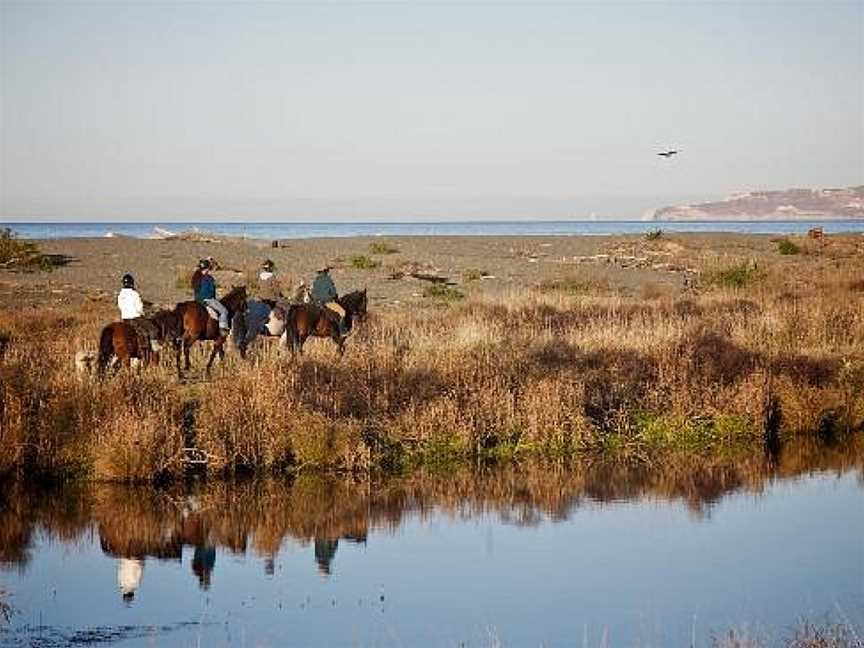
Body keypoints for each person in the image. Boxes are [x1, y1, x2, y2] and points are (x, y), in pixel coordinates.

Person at [117, 274, 160, 351]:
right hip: (136, 318)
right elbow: (139, 307)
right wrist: (144, 313)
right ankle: (154, 347)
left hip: (125, 319)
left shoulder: (120, 295)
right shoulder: (134, 294)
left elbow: (120, 306)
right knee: (153, 329)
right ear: (131, 283)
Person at [191, 259, 230, 333]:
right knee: (224, 311)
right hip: (209, 300)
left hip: (197, 300)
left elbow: (197, 292)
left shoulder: (196, 277)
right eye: (208, 268)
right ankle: (223, 328)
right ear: (207, 268)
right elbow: (210, 292)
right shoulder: (209, 278)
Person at [311, 265, 347, 335]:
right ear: (325, 271)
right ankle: (342, 331)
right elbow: (333, 292)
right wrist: (334, 297)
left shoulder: (315, 281)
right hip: (327, 302)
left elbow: (313, 294)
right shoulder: (328, 280)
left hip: (316, 303)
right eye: (327, 270)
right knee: (343, 312)